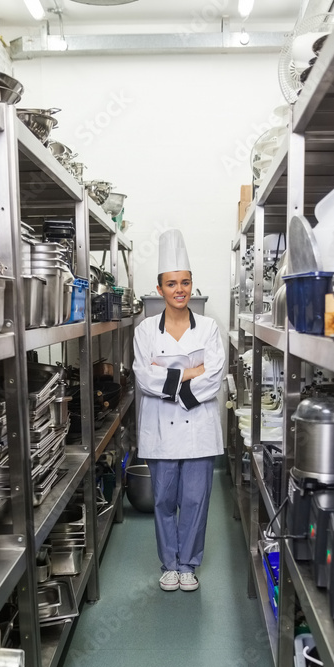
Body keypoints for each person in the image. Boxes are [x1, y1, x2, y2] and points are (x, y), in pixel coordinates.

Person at [132, 229, 225, 592]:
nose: (180, 289)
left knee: (196, 500)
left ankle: (189, 565)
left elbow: (215, 376)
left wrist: (169, 376)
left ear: (191, 285)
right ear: (160, 289)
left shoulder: (210, 328)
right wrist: (191, 371)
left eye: (185, 282)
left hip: (199, 428)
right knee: (164, 500)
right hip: (160, 432)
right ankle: (169, 564)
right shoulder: (144, 332)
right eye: (172, 284)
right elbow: (144, 377)